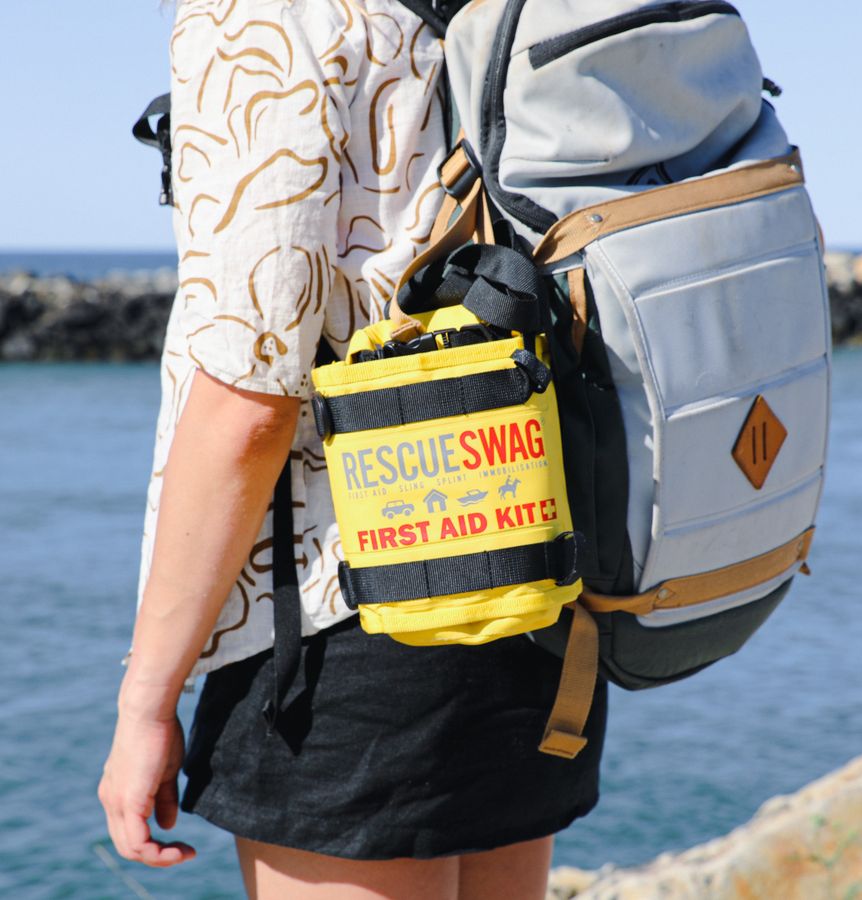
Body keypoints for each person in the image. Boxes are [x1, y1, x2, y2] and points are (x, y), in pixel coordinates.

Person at [98, 1, 607, 896]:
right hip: (534, 574)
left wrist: (146, 700)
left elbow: (250, 399)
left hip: (347, 616)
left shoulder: (260, 14)